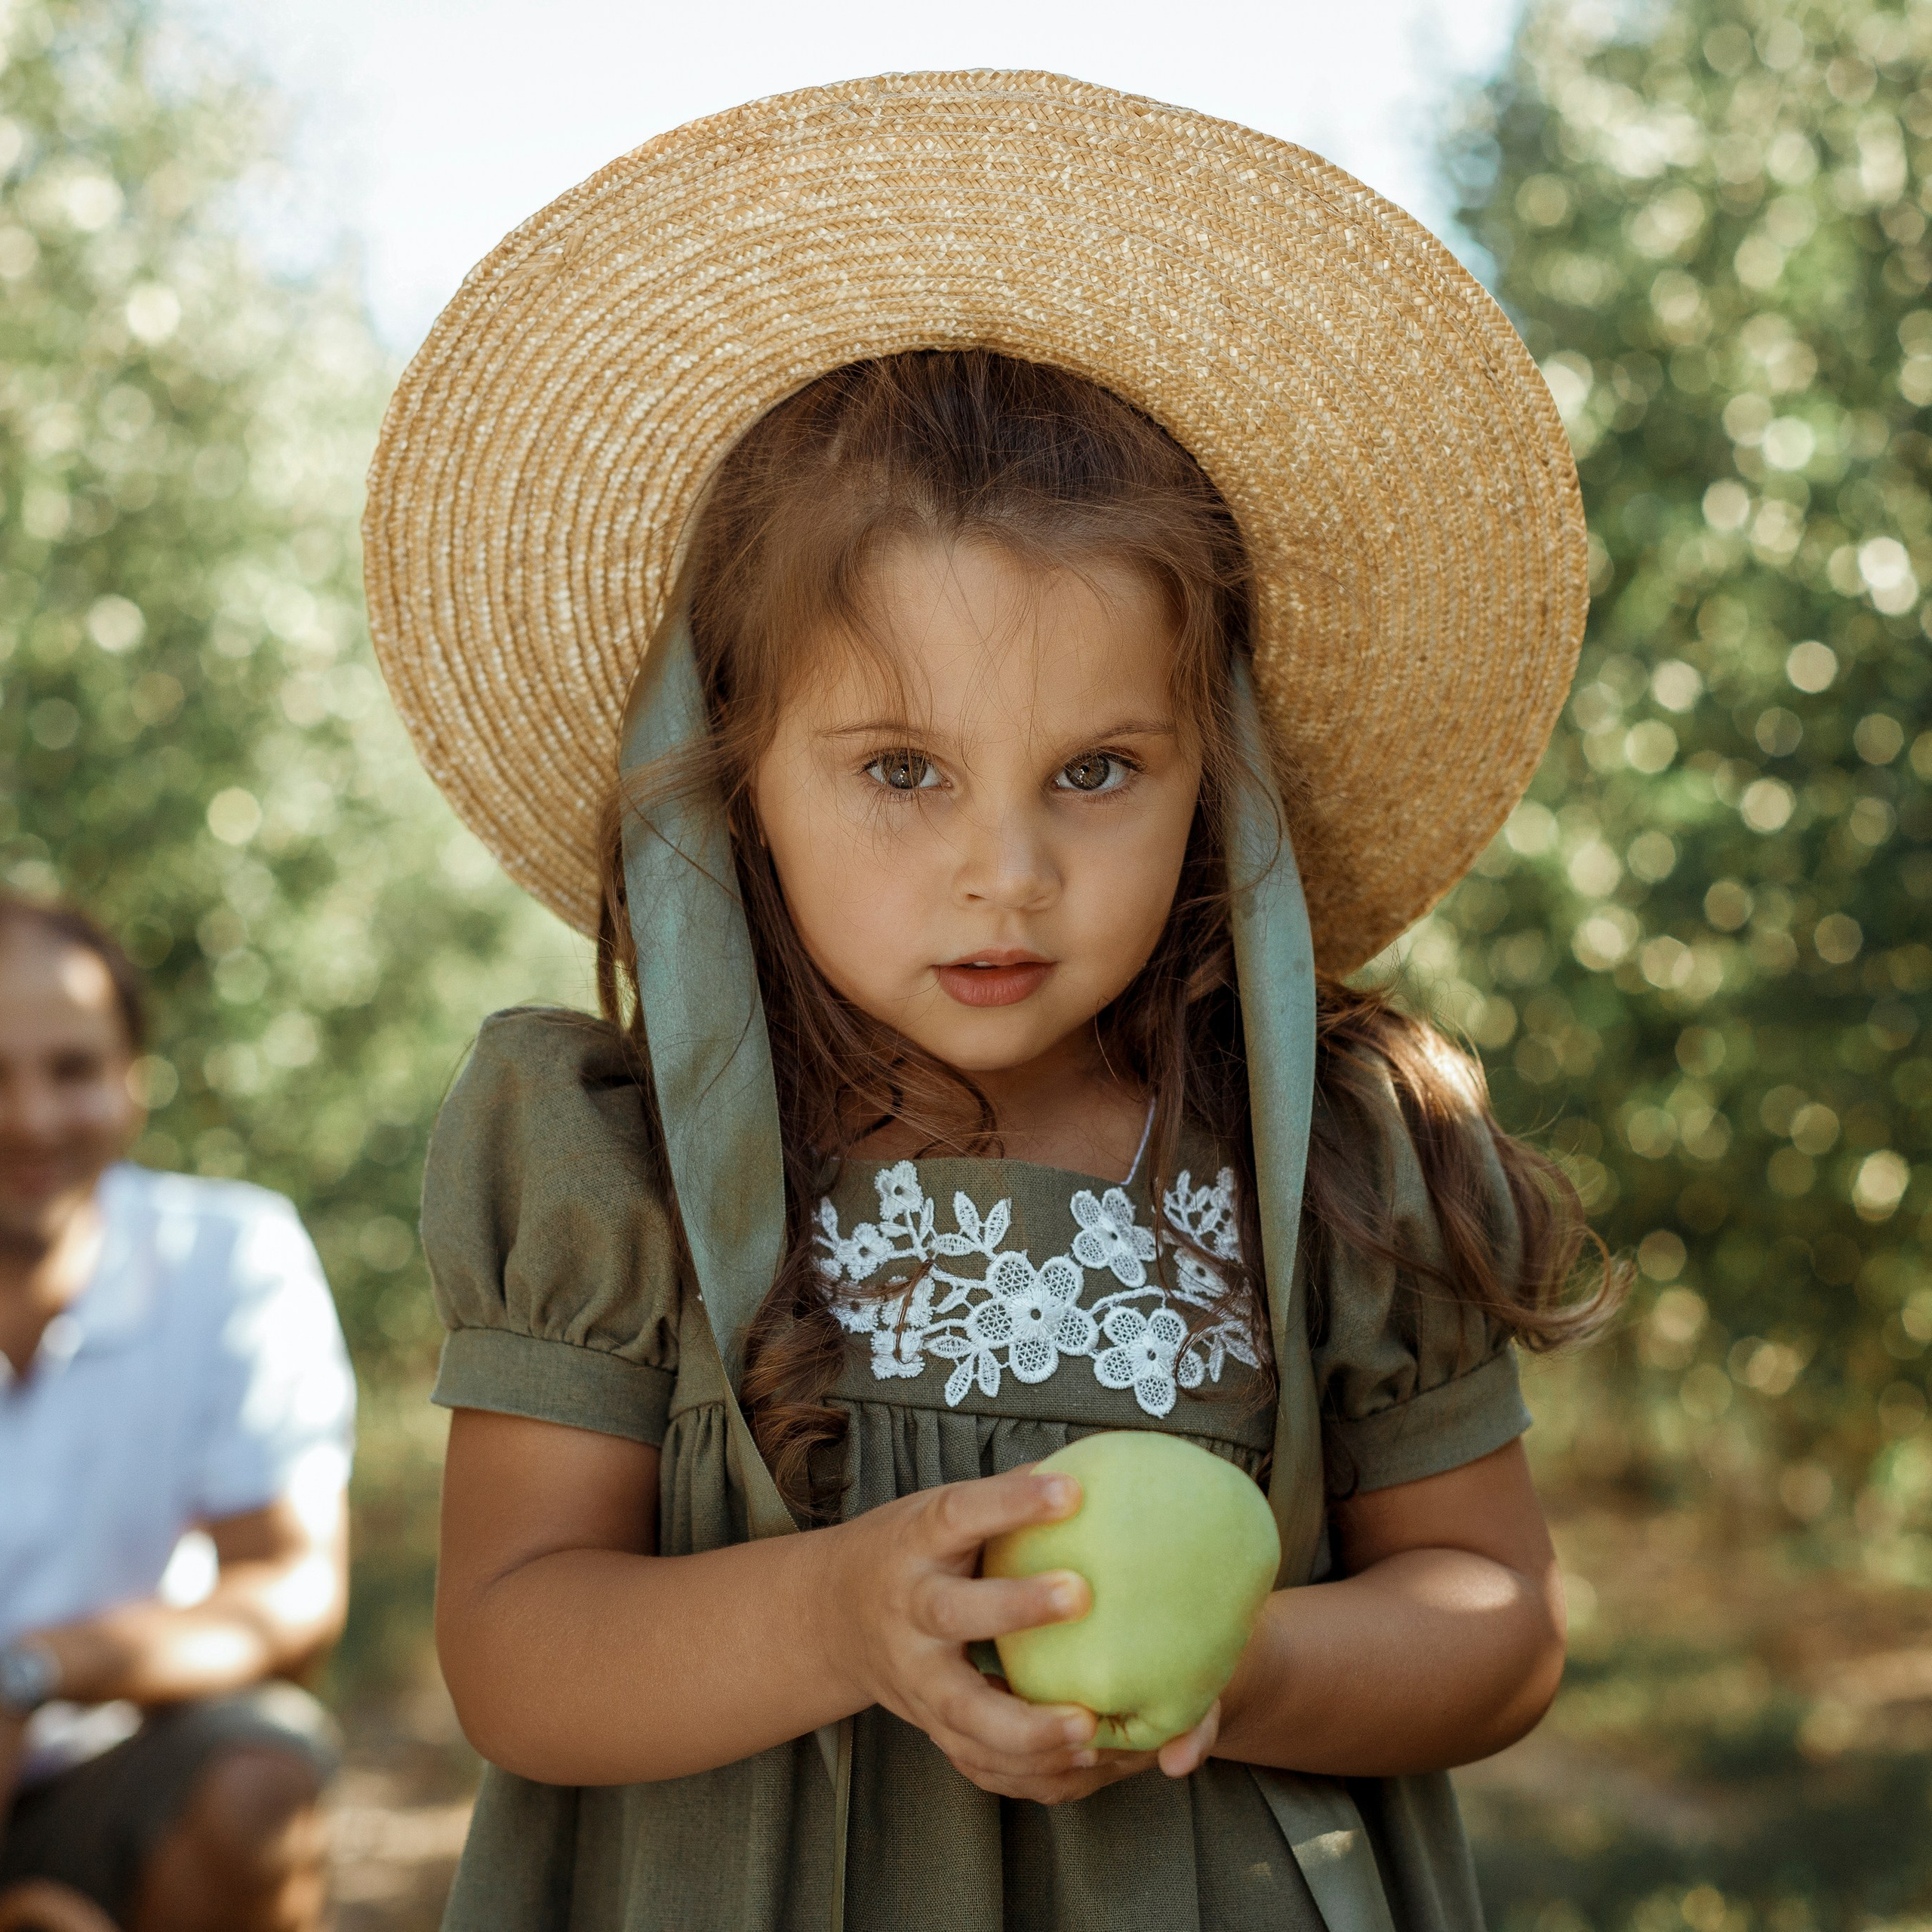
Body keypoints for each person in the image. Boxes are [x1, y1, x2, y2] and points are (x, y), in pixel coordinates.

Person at [361, 72, 1622, 1932]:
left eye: (1096, 771)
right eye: (898, 770)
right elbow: (518, 1650)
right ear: (739, 781)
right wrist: (836, 1615)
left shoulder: (1328, 1156)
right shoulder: (611, 1168)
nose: (1004, 872)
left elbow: (1494, 1623)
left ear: (1221, 778)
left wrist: (1236, 1664)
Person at [0, 897, 355, 1932]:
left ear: (132, 1083)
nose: (29, 1118)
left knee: (259, 1774)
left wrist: (31, 1675)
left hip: (116, 1767)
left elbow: (289, 1594)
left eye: (70, 1069)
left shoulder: (233, 1256)